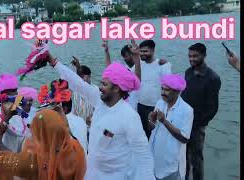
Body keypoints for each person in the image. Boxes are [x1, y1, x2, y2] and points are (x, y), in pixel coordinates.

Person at [46, 52, 155, 180]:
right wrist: (54, 62)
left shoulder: (129, 116)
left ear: (116, 89)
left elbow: (143, 155)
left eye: (104, 84)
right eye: (101, 83)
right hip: (91, 173)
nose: (100, 87)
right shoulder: (99, 100)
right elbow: (77, 83)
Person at [0, 103, 86, 180]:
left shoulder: (30, 163)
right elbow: (67, 135)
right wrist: (61, 121)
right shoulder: (76, 151)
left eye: (33, 127)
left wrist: (3, 121)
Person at [181, 43, 221, 180]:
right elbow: (184, 95)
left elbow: (213, 108)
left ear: (204, 55)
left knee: (196, 159)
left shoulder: (213, 78)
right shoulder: (188, 72)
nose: (191, 59)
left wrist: (199, 123)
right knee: (182, 157)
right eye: (189, 56)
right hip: (183, 122)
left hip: (197, 126)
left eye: (195, 56)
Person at [149, 74, 193, 180]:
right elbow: (152, 129)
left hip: (172, 165)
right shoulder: (160, 103)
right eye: (162, 89)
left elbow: (184, 138)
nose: (163, 92)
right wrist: (151, 120)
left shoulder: (187, 110)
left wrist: (164, 121)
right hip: (154, 160)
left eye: (167, 90)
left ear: (177, 92)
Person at [137, 40, 172, 139]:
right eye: (141, 51)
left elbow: (170, 84)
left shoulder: (162, 65)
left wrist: (168, 64)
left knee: (155, 135)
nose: (142, 54)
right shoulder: (139, 65)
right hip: (140, 105)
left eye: (145, 51)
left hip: (156, 107)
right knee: (142, 134)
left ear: (152, 51)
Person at [103, 40, 141, 111]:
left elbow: (138, 79)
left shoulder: (139, 66)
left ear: (132, 54)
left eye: (126, 56)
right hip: (122, 105)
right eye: (123, 56)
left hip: (132, 106)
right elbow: (109, 69)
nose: (124, 59)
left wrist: (137, 56)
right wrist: (106, 51)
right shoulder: (124, 68)